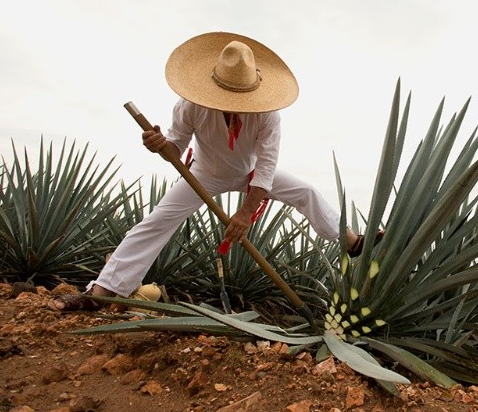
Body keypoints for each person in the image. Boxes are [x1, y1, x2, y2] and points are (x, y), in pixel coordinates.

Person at [48, 32, 373, 312]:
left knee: (306, 192)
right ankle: (102, 292)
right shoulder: (190, 105)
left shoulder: (267, 114)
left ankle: (351, 242)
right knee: (158, 221)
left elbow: (267, 165)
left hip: (250, 175)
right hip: (204, 174)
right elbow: (175, 150)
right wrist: (159, 144)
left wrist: (245, 213)